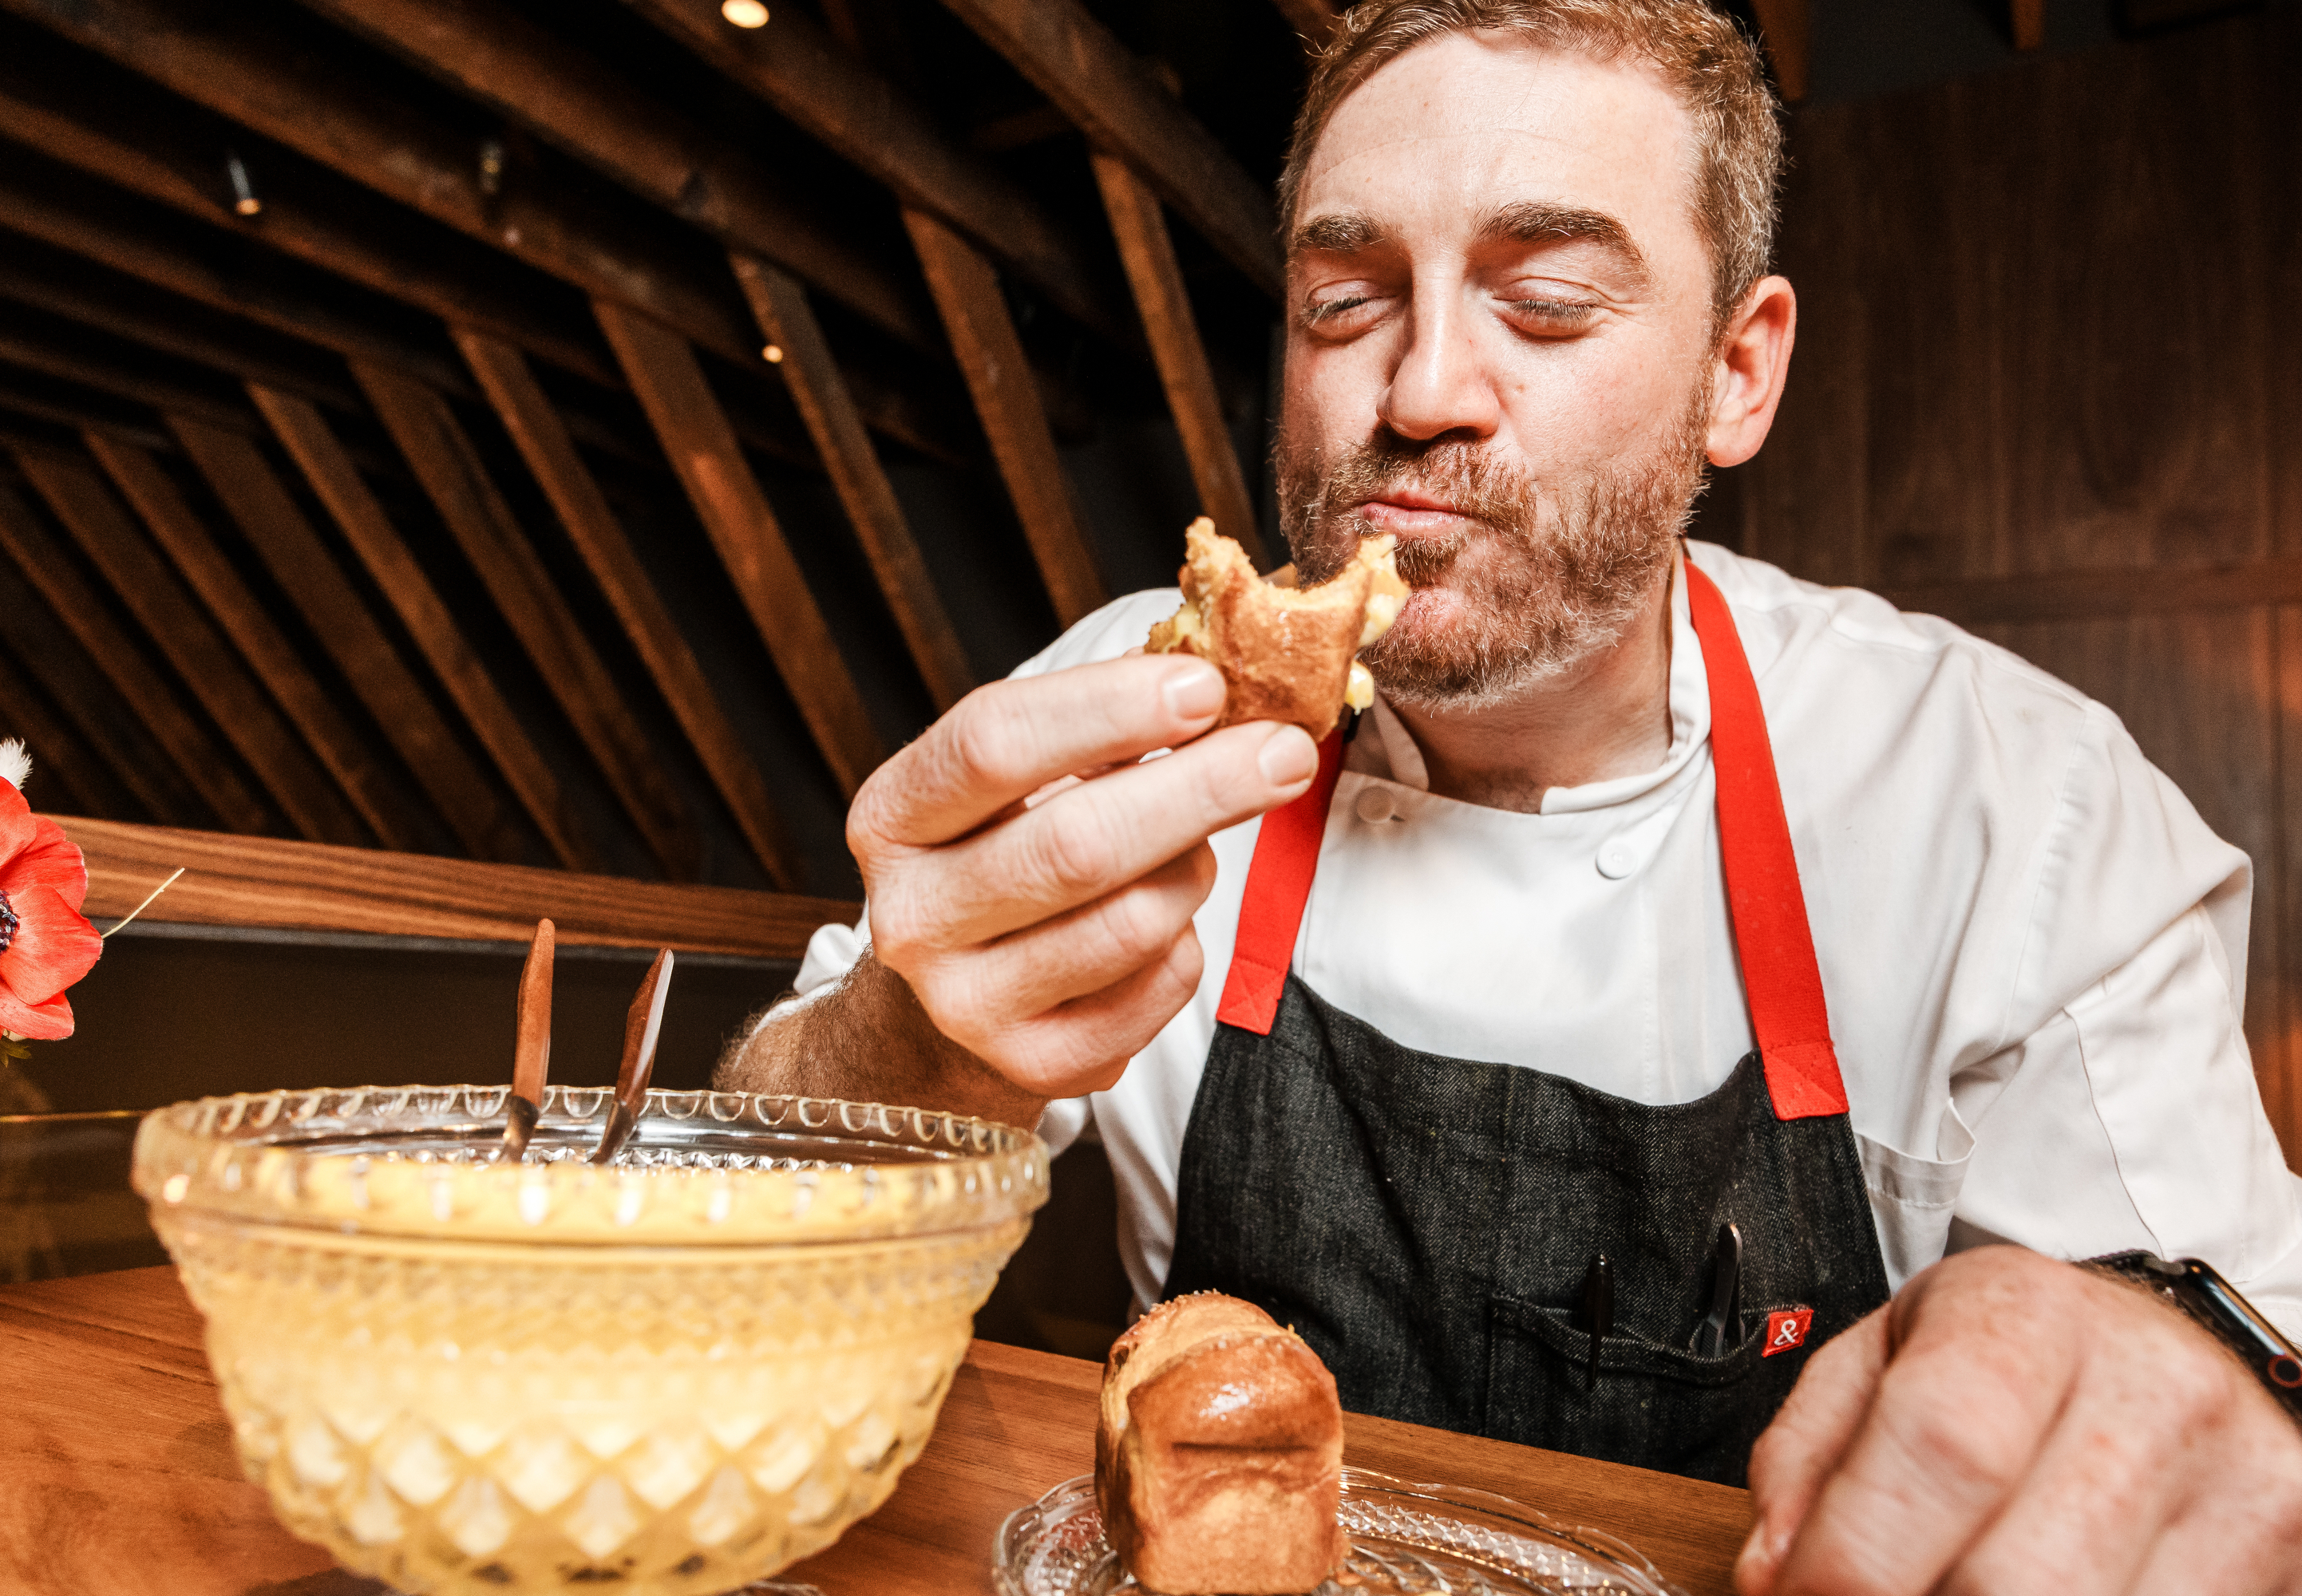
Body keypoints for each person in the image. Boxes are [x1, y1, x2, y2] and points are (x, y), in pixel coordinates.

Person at [722, 0, 2302, 1586]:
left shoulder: (2014, 809)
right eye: (1343, 301)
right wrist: (896, 1047)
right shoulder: (1118, 726)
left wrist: (2182, 1384)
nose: (1420, 391)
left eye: (1543, 303)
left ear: (1736, 374)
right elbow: (748, 1271)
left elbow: (2213, 1372)